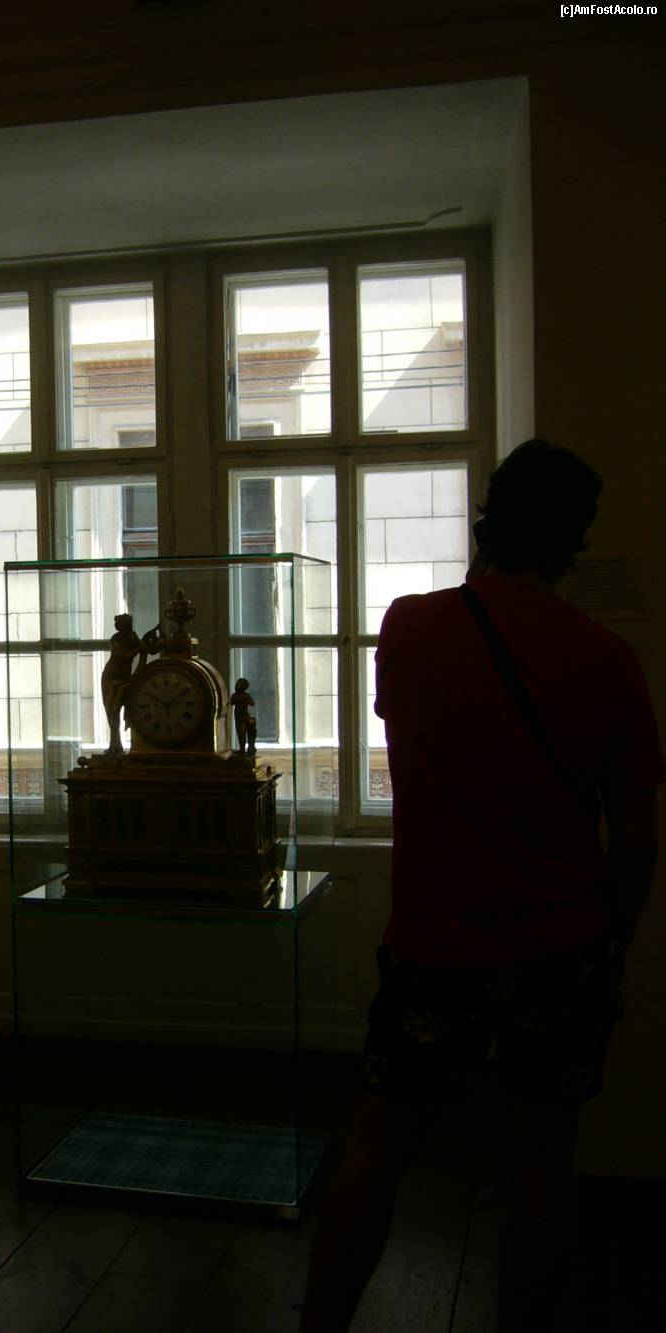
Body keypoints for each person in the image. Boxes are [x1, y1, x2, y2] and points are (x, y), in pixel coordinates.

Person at [300, 440, 664, 1333]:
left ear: (487, 521)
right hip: (560, 949)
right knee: (541, 1167)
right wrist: (611, 947)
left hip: (435, 944)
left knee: (375, 1150)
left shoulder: (410, 627)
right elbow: (636, 841)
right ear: (574, 541)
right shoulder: (608, 659)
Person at [101, 612, 161, 753]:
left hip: (126, 678)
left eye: (129, 625)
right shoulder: (115, 639)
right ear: (119, 627)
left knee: (128, 709)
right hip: (111, 678)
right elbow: (123, 655)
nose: (129, 627)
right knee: (112, 711)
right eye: (125, 625)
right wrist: (140, 648)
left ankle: (117, 744)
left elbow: (147, 649)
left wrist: (156, 644)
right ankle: (114, 744)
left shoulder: (132, 636)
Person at [231, 677, 257, 755]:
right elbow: (232, 702)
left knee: (242, 733)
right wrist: (242, 699)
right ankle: (243, 748)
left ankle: (249, 748)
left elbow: (252, 703)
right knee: (241, 733)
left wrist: (244, 699)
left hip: (242, 717)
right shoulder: (237, 695)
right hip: (240, 716)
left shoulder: (244, 695)